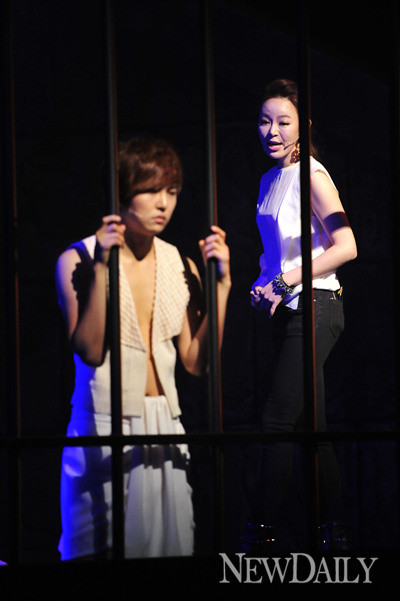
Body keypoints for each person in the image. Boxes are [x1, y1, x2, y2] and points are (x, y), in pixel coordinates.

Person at [55, 135, 231, 560]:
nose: (163, 203)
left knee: (170, 553)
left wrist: (222, 288)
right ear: (121, 192)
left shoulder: (179, 262)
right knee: (96, 552)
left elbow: (197, 362)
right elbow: (90, 350)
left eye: (172, 191)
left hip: (164, 424)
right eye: (151, 190)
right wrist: (103, 268)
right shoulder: (78, 258)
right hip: (102, 422)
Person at [243, 79, 357, 551]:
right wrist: (264, 282)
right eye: (264, 121)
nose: (272, 131)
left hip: (317, 305)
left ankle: (260, 537)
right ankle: (335, 535)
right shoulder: (270, 180)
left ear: (302, 127)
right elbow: (281, 253)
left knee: (276, 422)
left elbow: (346, 246)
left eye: (283, 122)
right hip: (291, 308)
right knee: (314, 432)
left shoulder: (312, 174)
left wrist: (286, 280)